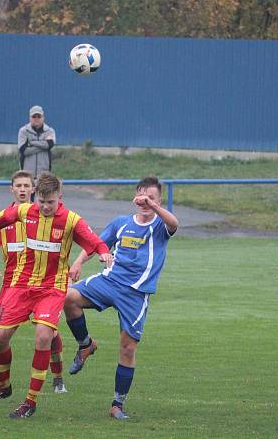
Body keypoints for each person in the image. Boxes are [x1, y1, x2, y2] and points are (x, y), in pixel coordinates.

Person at [0, 172, 112, 419]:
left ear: (60, 197)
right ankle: (3, 387)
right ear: (35, 197)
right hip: (21, 285)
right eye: (41, 201)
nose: (45, 207)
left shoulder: (72, 220)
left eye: (50, 202)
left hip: (52, 287)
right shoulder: (25, 211)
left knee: (43, 337)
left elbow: (95, 241)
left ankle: (30, 401)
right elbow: (1, 220)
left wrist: (104, 253)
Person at [64, 176, 179, 420]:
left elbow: (174, 222)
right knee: (68, 297)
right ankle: (86, 345)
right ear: (135, 197)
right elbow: (96, 243)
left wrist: (155, 206)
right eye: (142, 196)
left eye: (152, 198)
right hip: (110, 281)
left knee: (127, 348)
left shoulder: (160, 226)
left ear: (158, 200)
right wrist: (77, 262)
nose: (146, 201)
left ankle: (117, 404)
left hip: (136, 293)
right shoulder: (121, 223)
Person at [0, 170, 67, 395]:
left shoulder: (45, 216)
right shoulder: (5, 217)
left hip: (41, 285)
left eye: (26, 185)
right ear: (12, 189)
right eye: (18, 185)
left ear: (33, 190)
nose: (22, 189)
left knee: (50, 332)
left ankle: (58, 378)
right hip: (12, 285)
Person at [18, 105, 55, 180]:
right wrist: (43, 145)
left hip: (44, 175)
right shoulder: (23, 131)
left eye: (39, 116)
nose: (36, 119)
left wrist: (31, 143)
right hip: (27, 175)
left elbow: (50, 144)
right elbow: (24, 151)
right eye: (34, 117)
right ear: (30, 118)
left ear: (43, 117)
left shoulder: (49, 131)